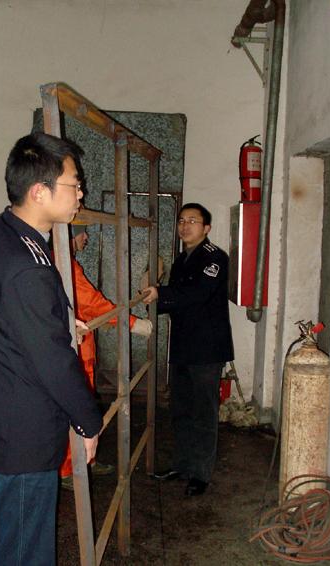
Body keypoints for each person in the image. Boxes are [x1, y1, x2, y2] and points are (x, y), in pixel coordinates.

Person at [0, 132, 103, 565]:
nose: (81, 194)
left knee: (13, 534)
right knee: (26, 548)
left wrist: (53, 320)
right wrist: (88, 422)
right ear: (40, 191)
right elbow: (53, 361)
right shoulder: (29, 264)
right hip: (23, 431)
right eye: (74, 184)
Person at [142, 202, 234, 497]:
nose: (185, 226)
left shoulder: (214, 257)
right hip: (182, 345)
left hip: (206, 349)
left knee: (203, 412)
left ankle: (200, 474)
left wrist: (161, 294)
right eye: (182, 220)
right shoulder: (182, 259)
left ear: (206, 228)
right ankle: (182, 465)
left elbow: (198, 294)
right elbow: (178, 301)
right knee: (180, 409)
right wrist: (154, 300)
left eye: (192, 221)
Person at [59, 224, 153, 490]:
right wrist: (132, 323)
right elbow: (92, 303)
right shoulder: (64, 264)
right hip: (73, 349)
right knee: (74, 406)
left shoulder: (65, 262)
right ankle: (67, 469)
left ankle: (85, 460)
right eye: (82, 232)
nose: (86, 237)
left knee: (82, 405)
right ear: (71, 235)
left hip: (79, 347)